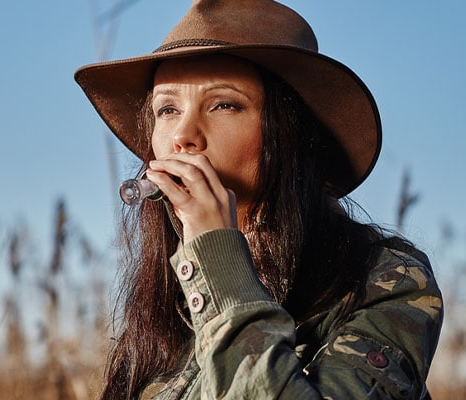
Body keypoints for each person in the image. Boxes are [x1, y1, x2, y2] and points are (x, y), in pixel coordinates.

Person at [75, 1, 443, 399]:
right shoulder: (167, 302)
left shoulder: (384, 278)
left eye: (223, 104)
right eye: (167, 109)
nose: (183, 134)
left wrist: (217, 259)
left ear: (289, 134)